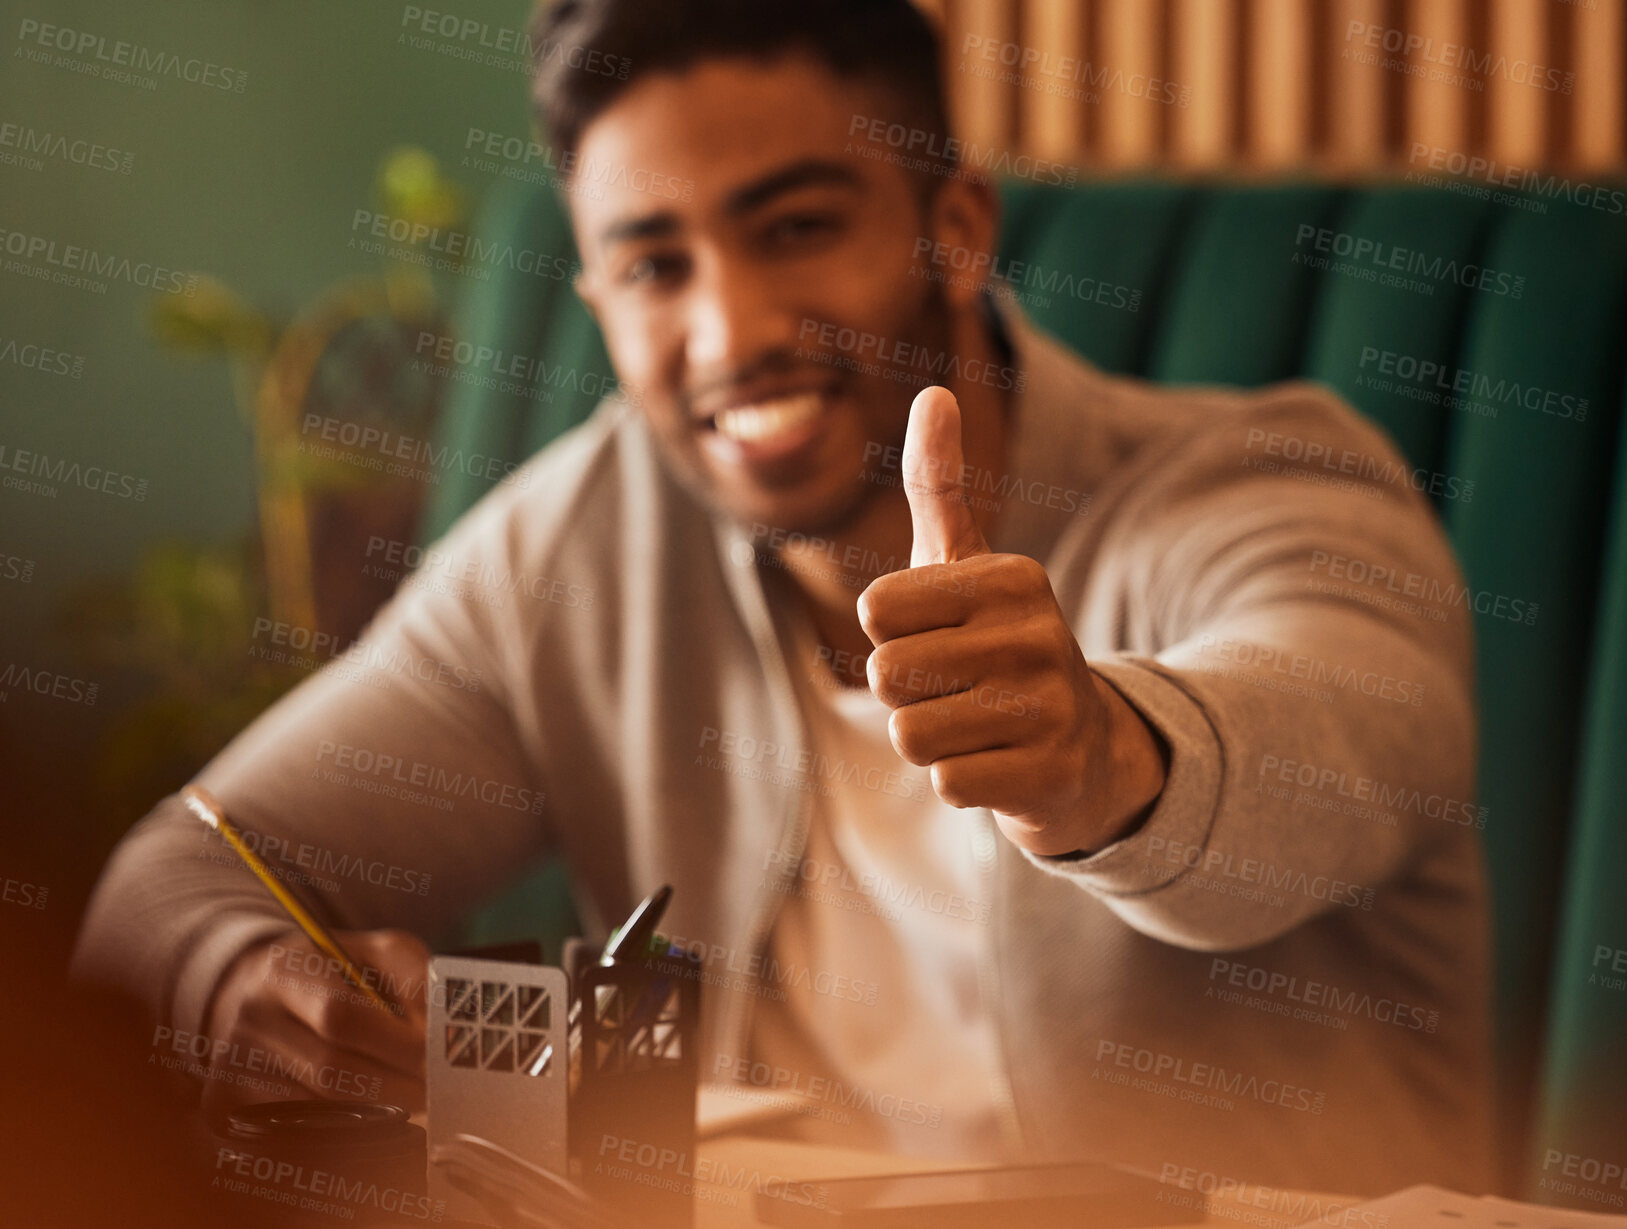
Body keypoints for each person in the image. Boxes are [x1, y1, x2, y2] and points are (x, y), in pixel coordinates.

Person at [73, 0, 1493, 1195]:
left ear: (955, 225)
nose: (731, 331)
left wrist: (1103, 756)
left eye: (797, 227)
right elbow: (169, 882)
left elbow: (1346, 738)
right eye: (652, 264)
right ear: (595, 294)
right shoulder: (571, 543)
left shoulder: (1276, 487)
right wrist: (243, 988)